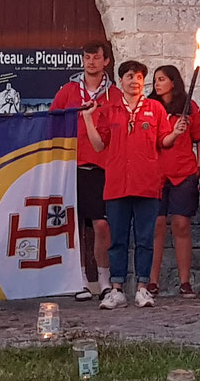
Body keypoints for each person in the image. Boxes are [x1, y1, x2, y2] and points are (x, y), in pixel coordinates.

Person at [87, 60, 166, 309]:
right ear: (120, 81)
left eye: (140, 77)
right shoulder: (110, 109)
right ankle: (117, 288)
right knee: (117, 239)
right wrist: (88, 119)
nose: (135, 81)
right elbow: (99, 145)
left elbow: (164, 142)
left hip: (146, 183)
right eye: (130, 76)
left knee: (144, 239)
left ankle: (143, 288)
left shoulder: (155, 108)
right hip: (117, 184)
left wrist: (176, 132)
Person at [49, 41, 120, 301]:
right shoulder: (68, 90)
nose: (91, 62)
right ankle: (78, 278)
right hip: (71, 166)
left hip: (103, 167)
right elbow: (52, 122)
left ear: (106, 61)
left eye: (96, 57)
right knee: (74, 225)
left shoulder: (114, 95)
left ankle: (103, 278)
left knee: (102, 225)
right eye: (87, 57)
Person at [149, 64, 200, 296]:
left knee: (181, 224)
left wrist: (199, 167)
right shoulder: (150, 107)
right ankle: (151, 281)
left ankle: (184, 281)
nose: (157, 84)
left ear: (173, 81)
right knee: (156, 225)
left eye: (161, 79)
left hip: (184, 172)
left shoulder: (189, 107)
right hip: (155, 174)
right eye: (155, 80)